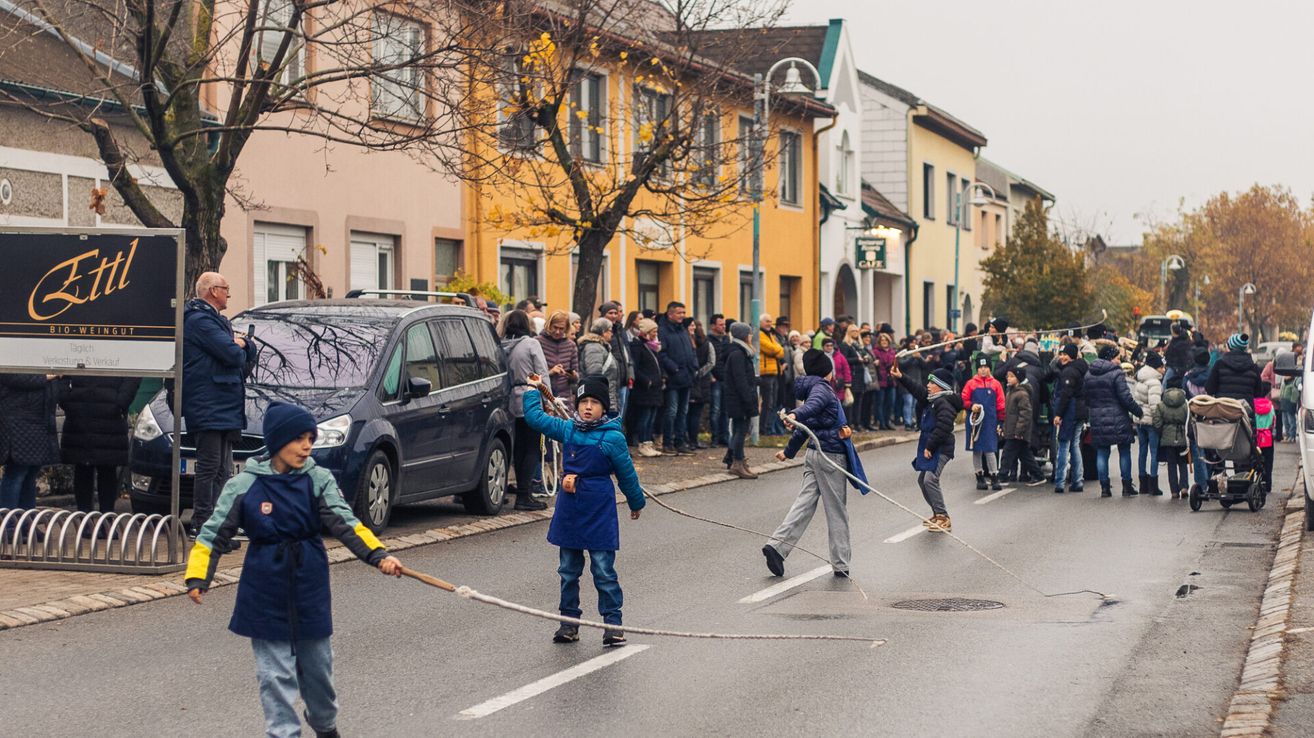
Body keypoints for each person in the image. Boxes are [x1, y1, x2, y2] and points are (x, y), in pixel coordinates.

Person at [185, 402, 403, 738]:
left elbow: (346, 523)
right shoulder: (243, 485)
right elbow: (212, 534)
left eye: (310, 439)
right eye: (298, 438)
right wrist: (199, 576)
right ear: (276, 441)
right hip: (263, 591)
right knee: (275, 678)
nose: (306, 446)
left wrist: (378, 555)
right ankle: (283, 733)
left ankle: (326, 727)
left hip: (309, 587)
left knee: (319, 678)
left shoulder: (318, 480)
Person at [522, 375, 644, 647]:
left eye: (594, 402)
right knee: (568, 569)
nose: (588, 407)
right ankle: (569, 624)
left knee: (603, 570)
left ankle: (613, 625)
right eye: (584, 402)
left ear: (604, 408)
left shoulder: (613, 437)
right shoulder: (569, 429)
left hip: (599, 509)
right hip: (570, 510)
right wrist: (533, 390)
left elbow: (626, 473)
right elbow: (536, 419)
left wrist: (636, 502)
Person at [761, 348, 866, 578]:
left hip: (813, 455)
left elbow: (806, 427)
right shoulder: (822, 390)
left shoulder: (812, 389)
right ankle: (841, 564)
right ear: (827, 371)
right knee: (837, 510)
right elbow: (809, 410)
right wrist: (796, 415)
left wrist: (788, 452)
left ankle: (777, 547)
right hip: (830, 457)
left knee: (804, 504)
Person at [182, 272, 258, 536]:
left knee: (224, 470)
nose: (229, 293)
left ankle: (220, 522)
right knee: (210, 467)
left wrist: (243, 343)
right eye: (226, 288)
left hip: (224, 404)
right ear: (213, 291)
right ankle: (202, 523)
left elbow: (241, 358)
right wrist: (241, 344)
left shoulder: (218, 321)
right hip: (209, 404)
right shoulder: (200, 321)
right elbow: (231, 354)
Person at [892, 363, 960, 531]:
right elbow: (917, 390)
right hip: (933, 445)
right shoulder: (932, 399)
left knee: (930, 479)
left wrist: (930, 446)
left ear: (941, 386)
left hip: (941, 447)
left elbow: (944, 426)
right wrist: (901, 377)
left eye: (932, 383)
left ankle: (944, 517)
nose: (927, 386)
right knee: (922, 481)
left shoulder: (944, 402)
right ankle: (937, 513)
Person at [59, 376, 141, 514]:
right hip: (79, 415)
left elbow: (133, 374)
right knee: (83, 469)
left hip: (111, 416)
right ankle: (84, 520)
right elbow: (63, 371)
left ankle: (107, 520)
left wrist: (121, 401)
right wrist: (67, 399)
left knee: (108, 470)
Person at [501, 310, 551, 511]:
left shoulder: (503, 345)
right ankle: (524, 494)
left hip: (510, 398)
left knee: (518, 447)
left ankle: (517, 490)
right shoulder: (531, 344)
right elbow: (542, 372)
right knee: (532, 446)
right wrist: (549, 399)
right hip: (530, 396)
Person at [1086, 344, 1144, 497]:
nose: (1119, 361)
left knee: (1102, 452)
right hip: (1119, 418)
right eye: (1117, 358)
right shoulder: (1116, 374)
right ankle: (1126, 486)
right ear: (1110, 358)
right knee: (1124, 450)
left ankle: (1104, 488)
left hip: (1097, 418)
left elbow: (1086, 397)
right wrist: (1138, 411)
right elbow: (1126, 398)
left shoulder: (1089, 374)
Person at [0, 374, 61, 511]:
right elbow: (9, 375)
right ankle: (8, 522)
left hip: (38, 419)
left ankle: (27, 521)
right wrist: (45, 377)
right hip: (17, 419)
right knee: (16, 472)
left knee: (30, 473)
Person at [657, 302, 698, 455]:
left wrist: (694, 366)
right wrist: (674, 368)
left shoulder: (682, 330)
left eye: (683, 312)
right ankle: (668, 443)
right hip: (674, 378)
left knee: (683, 411)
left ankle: (680, 442)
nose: (682, 315)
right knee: (672, 411)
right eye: (679, 313)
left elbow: (691, 350)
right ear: (670, 314)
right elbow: (662, 354)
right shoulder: (663, 331)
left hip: (687, 377)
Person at [721, 321, 760, 479]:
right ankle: (737, 462)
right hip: (739, 399)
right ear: (744, 335)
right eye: (749, 334)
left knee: (740, 429)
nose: (751, 336)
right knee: (740, 430)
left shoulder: (741, 352)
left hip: (740, 397)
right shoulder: (737, 354)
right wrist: (749, 399)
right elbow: (740, 379)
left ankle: (739, 460)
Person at [962, 358, 1006, 491]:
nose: (983, 370)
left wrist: (1001, 422)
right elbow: (963, 399)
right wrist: (971, 405)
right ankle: (979, 476)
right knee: (976, 450)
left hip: (990, 422)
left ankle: (994, 476)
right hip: (975, 421)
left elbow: (1001, 404)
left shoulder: (996, 384)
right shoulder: (971, 384)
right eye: (980, 367)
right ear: (977, 369)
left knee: (990, 449)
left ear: (989, 369)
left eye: (986, 367)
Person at [1051, 344, 1089, 494]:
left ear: (1072, 356)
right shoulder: (1083, 368)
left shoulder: (1069, 372)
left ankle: (1060, 482)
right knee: (1075, 445)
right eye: (1061, 354)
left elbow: (1065, 394)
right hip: (1081, 410)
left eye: (1065, 354)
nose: (1062, 357)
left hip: (1070, 411)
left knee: (1063, 445)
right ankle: (1077, 480)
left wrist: (1058, 414)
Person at [629, 318, 665, 458]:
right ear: (646, 332)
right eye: (653, 331)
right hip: (645, 389)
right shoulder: (637, 346)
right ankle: (642, 443)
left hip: (655, 388)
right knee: (644, 417)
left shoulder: (651, 346)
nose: (656, 334)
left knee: (651, 417)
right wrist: (647, 381)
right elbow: (636, 367)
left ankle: (648, 442)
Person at [1000, 369, 1043, 485]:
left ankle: (1002, 476)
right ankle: (1039, 475)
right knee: (1025, 456)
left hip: (1017, 432)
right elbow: (1008, 414)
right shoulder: (1010, 392)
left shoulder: (1022, 394)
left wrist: (1019, 430)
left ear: (1018, 379)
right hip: (1012, 430)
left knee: (1007, 454)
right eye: (1008, 376)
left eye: (1011, 376)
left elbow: (1025, 414)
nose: (1008, 378)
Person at [1133, 352, 1166, 496]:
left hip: (1140, 419)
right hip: (1151, 421)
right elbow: (1155, 406)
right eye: (1161, 367)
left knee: (1142, 451)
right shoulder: (1155, 382)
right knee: (1154, 453)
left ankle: (1143, 485)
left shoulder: (1139, 378)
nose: (1163, 370)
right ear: (1156, 367)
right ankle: (1153, 484)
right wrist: (1159, 422)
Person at [1154, 377, 1191, 499]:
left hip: (1167, 438)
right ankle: (1184, 487)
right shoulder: (1185, 404)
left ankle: (1174, 491)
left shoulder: (1161, 405)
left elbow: (1157, 423)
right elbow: (1189, 421)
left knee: (1171, 465)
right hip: (1182, 437)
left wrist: (1162, 433)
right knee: (1182, 463)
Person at [538, 311, 581, 411]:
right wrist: (550, 372)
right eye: (555, 327)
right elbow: (532, 375)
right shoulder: (537, 342)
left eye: (561, 329)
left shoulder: (571, 345)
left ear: (566, 329)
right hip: (544, 397)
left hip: (565, 399)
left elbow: (576, 376)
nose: (557, 332)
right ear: (549, 325)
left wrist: (573, 376)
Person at [578, 318, 622, 418]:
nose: (612, 333)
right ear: (603, 331)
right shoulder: (594, 347)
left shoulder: (601, 347)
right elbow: (594, 376)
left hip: (607, 399)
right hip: (600, 401)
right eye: (610, 330)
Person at [1205, 333, 1263, 407]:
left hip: (1223, 409)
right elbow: (1259, 393)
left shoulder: (1220, 364)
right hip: (1245, 411)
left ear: (1229, 346)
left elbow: (1209, 389)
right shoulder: (1253, 367)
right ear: (1245, 348)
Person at [599, 302, 633, 420]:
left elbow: (626, 354)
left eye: (615, 313)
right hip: (610, 379)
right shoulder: (601, 330)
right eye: (610, 313)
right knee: (611, 413)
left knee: (621, 413)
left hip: (623, 378)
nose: (614, 315)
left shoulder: (619, 330)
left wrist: (630, 374)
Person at [686, 320, 716, 449]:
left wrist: (693, 373)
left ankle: (687, 439)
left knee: (686, 413)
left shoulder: (687, 343)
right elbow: (711, 362)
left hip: (689, 380)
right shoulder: (707, 344)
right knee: (696, 414)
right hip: (702, 382)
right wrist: (701, 373)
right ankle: (694, 440)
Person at [759, 314, 786, 435]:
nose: (769, 323)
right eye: (766, 321)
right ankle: (763, 429)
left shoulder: (770, 334)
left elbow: (780, 351)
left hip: (773, 371)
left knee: (773, 402)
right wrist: (778, 349)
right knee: (767, 402)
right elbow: (772, 349)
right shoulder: (759, 334)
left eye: (770, 321)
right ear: (760, 322)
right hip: (765, 372)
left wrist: (777, 349)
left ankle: (768, 428)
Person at [707, 314, 731, 446]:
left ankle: (724, 437)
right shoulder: (708, 340)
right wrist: (711, 376)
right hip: (715, 379)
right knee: (715, 409)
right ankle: (714, 437)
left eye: (724, 325)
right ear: (713, 326)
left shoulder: (727, 339)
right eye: (720, 324)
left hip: (726, 379)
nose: (723, 327)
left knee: (725, 410)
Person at [838, 325, 867, 429]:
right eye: (853, 331)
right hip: (852, 376)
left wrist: (865, 359)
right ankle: (849, 423)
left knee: (859, 401)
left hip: (860, 376)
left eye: (856, 330)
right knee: (850, 401)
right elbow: (844, 360)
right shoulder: (845, 345)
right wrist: (857, 359)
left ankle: (857, 422)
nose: (855, 332)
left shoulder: (859, 345)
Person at [871, 331, 899, 430]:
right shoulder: (876, 351)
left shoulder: (892, 351)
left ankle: (888, 421)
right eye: (882, 340)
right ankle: (882, 423)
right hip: (880, 380)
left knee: (890, 402)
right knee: (880, 403)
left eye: (885, 340)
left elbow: (895, 364)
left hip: (890, 379)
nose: (884, 342)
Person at [898, 345, 929, 432]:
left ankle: (915, 422)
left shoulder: (918, 355)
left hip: (917, 384)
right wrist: (912, 357)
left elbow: (925, 366)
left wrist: (919, 358)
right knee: (908, 403)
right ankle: (907, 422)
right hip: (906, 384)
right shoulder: (904, 354)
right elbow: (902, 365)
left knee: (916, 405)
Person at [1256, 382, 1276, 493]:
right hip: (1267, 436)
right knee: (1268, 462)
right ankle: (1267, 484)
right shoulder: (1270, 406)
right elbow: (1273, 421)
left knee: (1254, 460)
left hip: (1255, 437)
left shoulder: (1252, 405)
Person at [822, 337, 851, 405]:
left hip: (839, 385)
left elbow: (846, 369)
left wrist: (847, 383)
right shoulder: (820, 357)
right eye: (827, 345)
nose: (829, 347)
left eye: (831, 345)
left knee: (839, 405)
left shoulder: (840, 356)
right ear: (823, 346)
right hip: (826, 385)